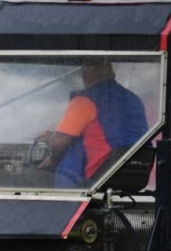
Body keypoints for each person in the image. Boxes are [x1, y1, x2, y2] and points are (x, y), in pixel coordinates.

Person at [37, 58, 148, 188]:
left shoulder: (83, 101)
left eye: (84, 72)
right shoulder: (134, 100)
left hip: (85, 184)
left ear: (86, 75)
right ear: (112, 74)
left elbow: (60, 144)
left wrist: (50, 139)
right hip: (130, 175)